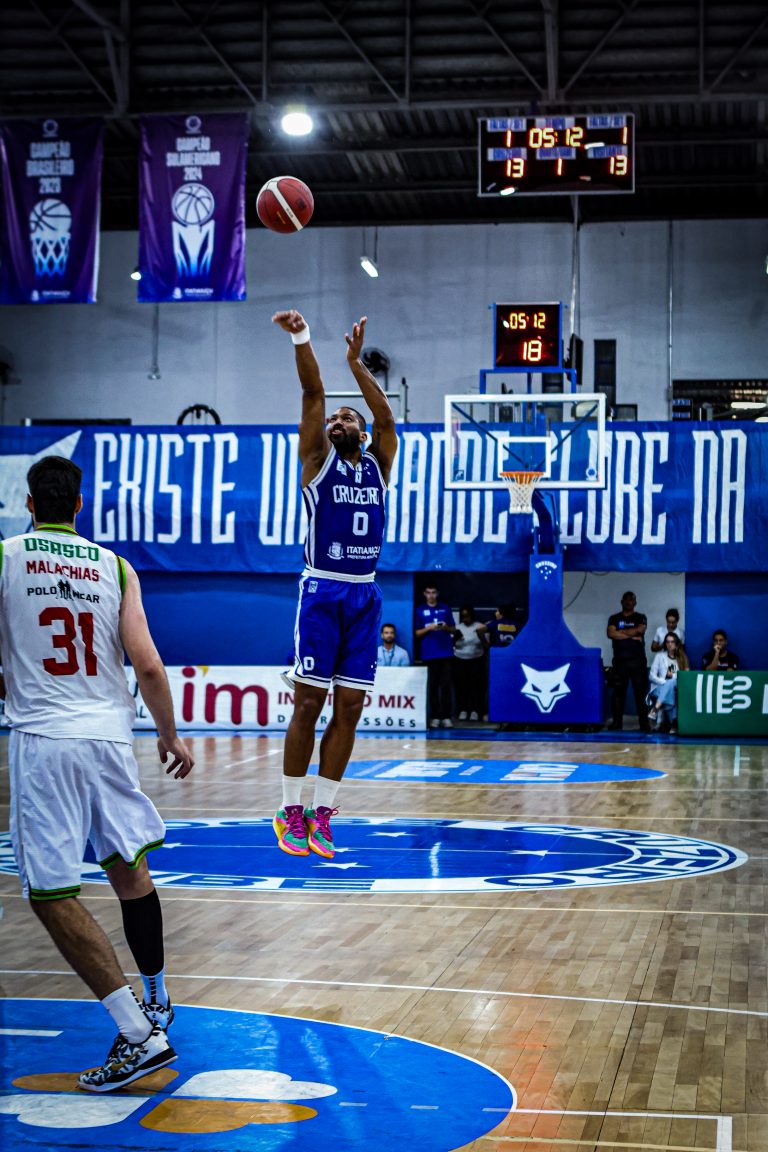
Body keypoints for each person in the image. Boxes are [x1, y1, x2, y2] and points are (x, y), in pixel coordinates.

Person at [0, 456, 194, 1092]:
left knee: (50, 894)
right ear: (79, 505)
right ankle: (156, 997)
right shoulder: (114, 566)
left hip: (46, 741)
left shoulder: (7, 557)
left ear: (30, 504)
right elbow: (149, 664)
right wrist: (168, 734)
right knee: (129, 870)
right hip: (110, 737)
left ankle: (139, 1035)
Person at [272, 309, 398, 860]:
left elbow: (386, 418)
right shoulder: (317, 461)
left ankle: (323, 812)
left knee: (349, 709)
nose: (336, 420)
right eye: (335, 418)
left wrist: (355, 363)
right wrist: (302, 338)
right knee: (309, 703)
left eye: (348, 417)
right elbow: (311, 394)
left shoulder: (378, 464)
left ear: (362, 434)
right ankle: (289, 809)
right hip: (323, 590)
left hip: (364, 594)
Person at [606, 590, 650, 732]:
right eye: (626, 599)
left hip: (638, 661)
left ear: (635, 603)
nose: (628, 602)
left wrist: (621, 632)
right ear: (621, 602)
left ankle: (644, 724)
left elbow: (640, 630)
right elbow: (610, 633)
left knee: (640, 693)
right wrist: (632, 634)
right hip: (620, 661)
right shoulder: (614, 618)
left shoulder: (640, 617)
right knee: (618, 694)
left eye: (631, 599)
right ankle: (617, 723)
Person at [414, 583, 454, 728]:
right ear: (424, 594)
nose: (431, 595)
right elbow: (416, 633)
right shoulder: (419, 610)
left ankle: (446, 717)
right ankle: (435, 716)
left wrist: (445, 627)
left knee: (446, 686)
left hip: (446, 653)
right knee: (433, 687)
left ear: (437, 594)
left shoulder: (445, 608)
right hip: (429, 654)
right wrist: (429, 628)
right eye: (428, 592)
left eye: (433, 592)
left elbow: (453, 629)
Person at [647, 631, 689, 733]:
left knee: (672, 684)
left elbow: (686, 676)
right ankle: (672, 724)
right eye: (667, 642)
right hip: (658, 688)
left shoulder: (682, 658)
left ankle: (656, 710)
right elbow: (651, 676)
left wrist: (672, 678)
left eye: (672, 642)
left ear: (677, 644)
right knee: (670, 685)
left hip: (675, 690)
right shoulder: (659, 656)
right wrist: (664, 682)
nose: (670, 644)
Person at [452, 604, 488, 721]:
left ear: (472, 616)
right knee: (461, 686)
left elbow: (486, 645)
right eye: (463, 617)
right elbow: (450, 646)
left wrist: (480, 635)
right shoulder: (457, 628)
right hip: (459, 660)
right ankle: (462, 710)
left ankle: (475, 710)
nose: (465, 619)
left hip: (476, 660)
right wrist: (455, 638)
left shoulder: (480, 626)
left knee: (476, 687)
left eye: (467, 616)